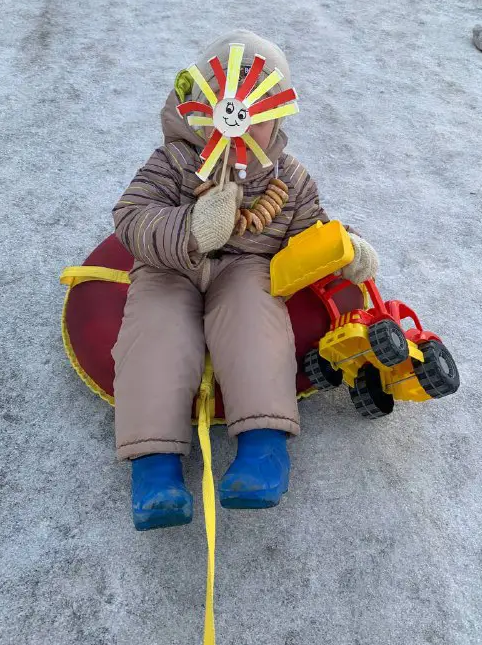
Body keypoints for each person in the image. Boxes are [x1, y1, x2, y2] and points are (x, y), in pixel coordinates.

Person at [111, 29, 379, 530]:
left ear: (276, 118)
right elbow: (131, 216)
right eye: (231, 109)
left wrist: (345, 250)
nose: (242, 125)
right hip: (171, 265)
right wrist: (189, 227)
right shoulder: (172, 162)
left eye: (259, 114)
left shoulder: (289, 178)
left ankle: (262, 447)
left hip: (246, 268)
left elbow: (312, 229)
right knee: (156, 331)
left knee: (258, 323)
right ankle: (155, 467)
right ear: (202, 107)